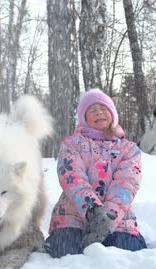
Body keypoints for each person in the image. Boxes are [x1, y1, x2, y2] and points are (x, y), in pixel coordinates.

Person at [45, 89, 147, 258]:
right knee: (66, 251)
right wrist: (93, 211)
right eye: (92, 110)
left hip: (117, 220)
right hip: (73, 217)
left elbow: (126, 184)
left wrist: (106, 220)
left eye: (103, 108)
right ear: (84, 118)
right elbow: (73, 180)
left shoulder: (129, 149)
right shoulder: (71, 145)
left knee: (125, 252)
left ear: (112, 114)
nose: (98, 112)